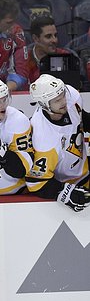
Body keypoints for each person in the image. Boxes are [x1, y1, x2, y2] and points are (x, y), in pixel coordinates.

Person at [26, 74, 90, 212]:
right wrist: (65, 192)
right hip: (69, 183)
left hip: (85, 172)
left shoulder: (71, 95)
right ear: (44, 104)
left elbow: (81, 118)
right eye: (57, 100)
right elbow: (36, 183)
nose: (64, 101)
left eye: (62, 95)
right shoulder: (42, 138)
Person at [26, 16, 76, 84]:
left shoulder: (66, 57)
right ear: (35, 38)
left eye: (55, 35)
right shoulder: (23, 58)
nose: (54, 40)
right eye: (48, 36)